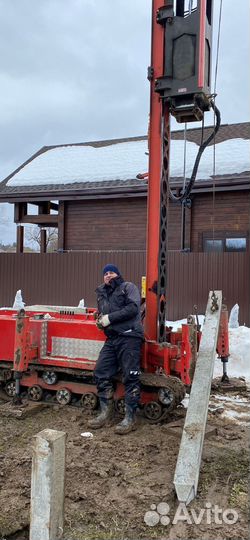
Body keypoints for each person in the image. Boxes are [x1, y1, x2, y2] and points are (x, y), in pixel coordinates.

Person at [88, 264, 144, 435]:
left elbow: (133, 308)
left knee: (130, 376)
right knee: (100, 371)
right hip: (112, 339)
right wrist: (100, 320)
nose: (108, 275)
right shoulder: (102, 294)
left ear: (118, 274)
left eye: (111, 272)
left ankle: (130, 418)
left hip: (129, 337)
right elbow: (103, 314)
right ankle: (105, 413)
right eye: (105, 273)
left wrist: (109, 319)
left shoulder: (128, 287)